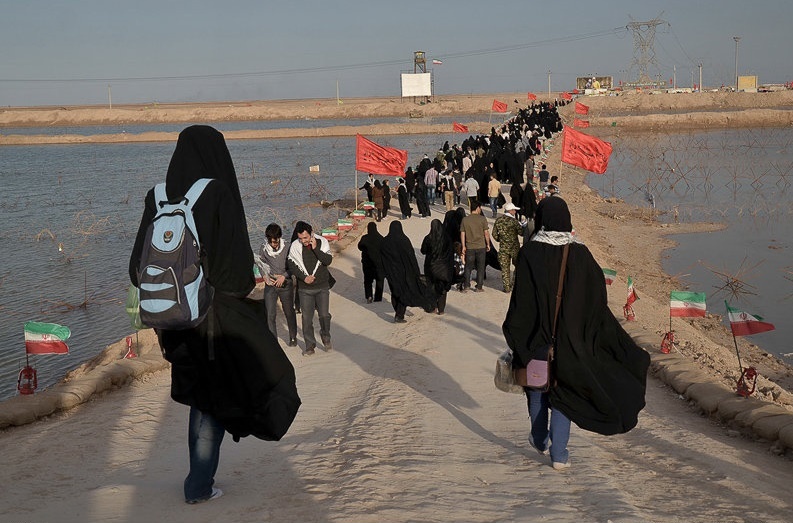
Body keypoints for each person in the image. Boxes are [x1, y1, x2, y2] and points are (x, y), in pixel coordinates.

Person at [129, 125, 300, 504]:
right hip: (213, 317)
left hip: (172, 323)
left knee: (203, 397)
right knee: (216, 399)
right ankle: (199, 487)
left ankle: (200, 481)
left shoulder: (156, 197)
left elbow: (134, 270)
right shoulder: (216, 192)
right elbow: (237, 273)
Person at [502, 197, 650, 470]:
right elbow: (596, 302)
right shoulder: (581, 255)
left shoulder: (530, 253)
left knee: (537, 388)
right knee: (564, 394)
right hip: (572, 342)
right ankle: (559, 454)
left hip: (536, 339)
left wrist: (518, 338)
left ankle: (538, 439)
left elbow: (520, 303)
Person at [287, 221, 334, 354]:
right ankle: (309, 346)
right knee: (307, 318)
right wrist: (304, 277)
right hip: (305, 289)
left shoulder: (322, 242)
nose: (303, 241)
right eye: (301, 238)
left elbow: (327, 261)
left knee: (324, 315)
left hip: (322, 286)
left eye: (305, 238)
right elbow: (292, 265)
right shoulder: (295, 246)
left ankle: (325, 336)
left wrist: (315, 249)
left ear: (311, 234)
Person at [380, 221, 436, 322]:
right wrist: (416, 271)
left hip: (391, 273)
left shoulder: (385, 242)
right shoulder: (404, 240)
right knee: (404, 291)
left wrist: (385, 271)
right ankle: (399, 315)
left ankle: (398, 313)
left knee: (395, 291)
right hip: (404, 272)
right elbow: (411, 256)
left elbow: (382, 259)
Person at [258, 223, 298, 346]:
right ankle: (273, 342)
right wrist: (264, 276)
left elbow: (294, 267)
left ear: (279, 238)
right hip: (271, 285)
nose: (273, 245)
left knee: (289, 312)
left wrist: (284, 276)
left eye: (275, 242)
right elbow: (261, 264)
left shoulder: (288, 247)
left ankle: (293, 337)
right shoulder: (264, 248)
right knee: (270, 314)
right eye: (271, 243)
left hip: (286, 284)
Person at [420, 219, 454, 314]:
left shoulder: (428, 238)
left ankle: (433, 307)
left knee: (431, 286)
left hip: (430, 266)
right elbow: (451, 252)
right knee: (442, 288)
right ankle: (441, 309)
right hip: (443, 267)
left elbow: (423, 251)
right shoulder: (447, 238)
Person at [491, 202, 524, 293]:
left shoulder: (498, 220)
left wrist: (500, 240)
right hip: (514, 248)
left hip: (503, 249)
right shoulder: (514, 222)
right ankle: (513, 284)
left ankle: (506, 288)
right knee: (517, 266)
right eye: (514, 210)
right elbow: (521, 233)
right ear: (510, 211)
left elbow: (494, 234)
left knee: (505, 269)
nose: (515, 212)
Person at [460, 200, 491, 292]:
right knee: (480, 267)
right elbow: (486, 233)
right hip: (481, 246)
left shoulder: (465, 219)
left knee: (468, 267)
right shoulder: (482, 219)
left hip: (470, 246)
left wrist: (463, 246)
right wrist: (488, 244)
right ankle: (479, 286)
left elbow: (462, 234)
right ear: (478, 208)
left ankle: (466, 286)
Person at [357, 221, 385, 303]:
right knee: (380, 280)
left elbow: (360, 247)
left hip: (367, 263)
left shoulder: (365, 238)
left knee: (368, 281)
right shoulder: (381, 238)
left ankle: (369, 296)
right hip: (378, 264)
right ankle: (378, 297)